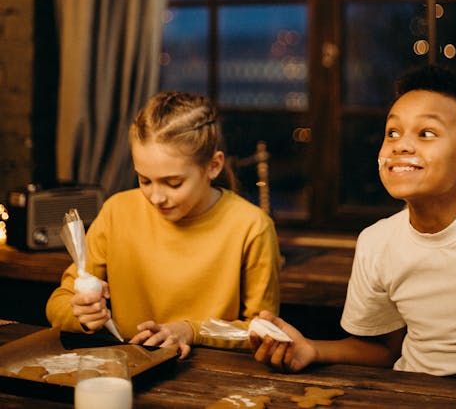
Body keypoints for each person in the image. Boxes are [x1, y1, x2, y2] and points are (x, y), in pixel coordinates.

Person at [250, 63, 456, 379]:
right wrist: (310, 349)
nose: (400, 145)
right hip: (410, 392)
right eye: (392, 132)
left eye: (426, 133)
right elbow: (385, 350)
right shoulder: (377, 242)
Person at [46, 91, 281, 357]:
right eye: (144, 180)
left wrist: (192, 330)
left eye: (173, 183)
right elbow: (58, 303)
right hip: (125, 368)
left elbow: (264, 330)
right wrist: (82, 315)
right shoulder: (117, 211)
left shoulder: (251, 226)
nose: (156, 197)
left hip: (213, 378)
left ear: (213, 166)